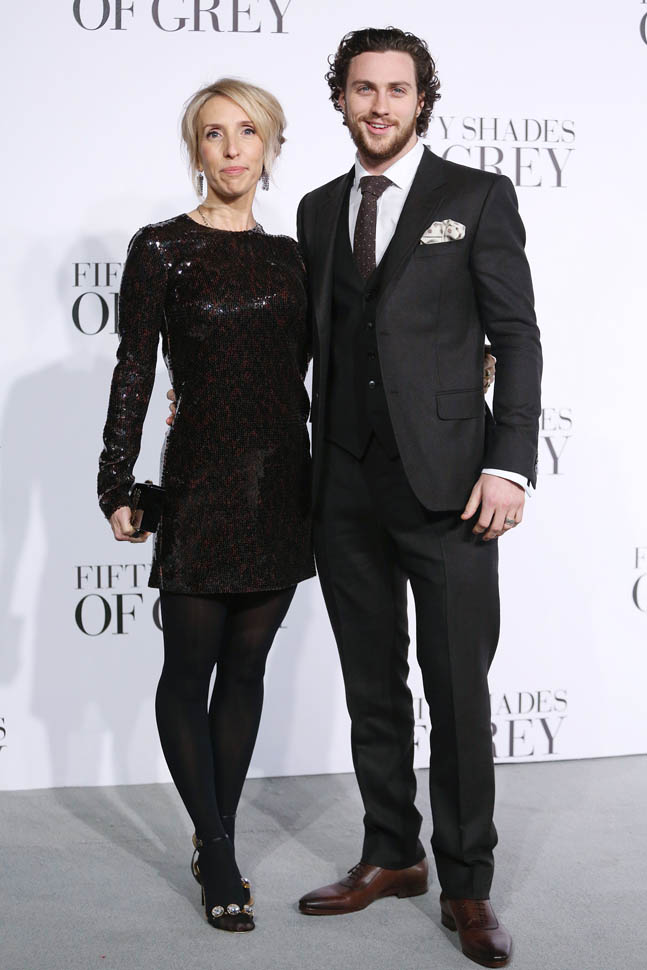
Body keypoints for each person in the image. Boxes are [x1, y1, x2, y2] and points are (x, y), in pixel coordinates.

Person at [293, 28, 542, 969]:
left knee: (457, 693)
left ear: (422, 100)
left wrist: (507, 464)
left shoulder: (475, 196)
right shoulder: (318, 208)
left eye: (396, 89)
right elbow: (312, 342)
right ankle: (392, 854)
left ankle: (467, 884)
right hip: (343, 484)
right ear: (341, 99)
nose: (379, 106)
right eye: (363, 89)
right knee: (371, 685)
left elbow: (516, 336)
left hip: (450, 488)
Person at [97, 78, 315, 933]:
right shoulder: (161, 248)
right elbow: (134, 368)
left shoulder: (293, 255)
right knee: (189, 670)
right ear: (196, 149)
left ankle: (212, 831)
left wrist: (459, 359)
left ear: (270, 146)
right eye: (214, 133)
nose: (231, 149)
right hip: (198, 483)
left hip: (281, 483)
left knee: (247, 671)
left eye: (247, 132)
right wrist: (116, 480)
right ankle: (218, 849)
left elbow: (334, 359)